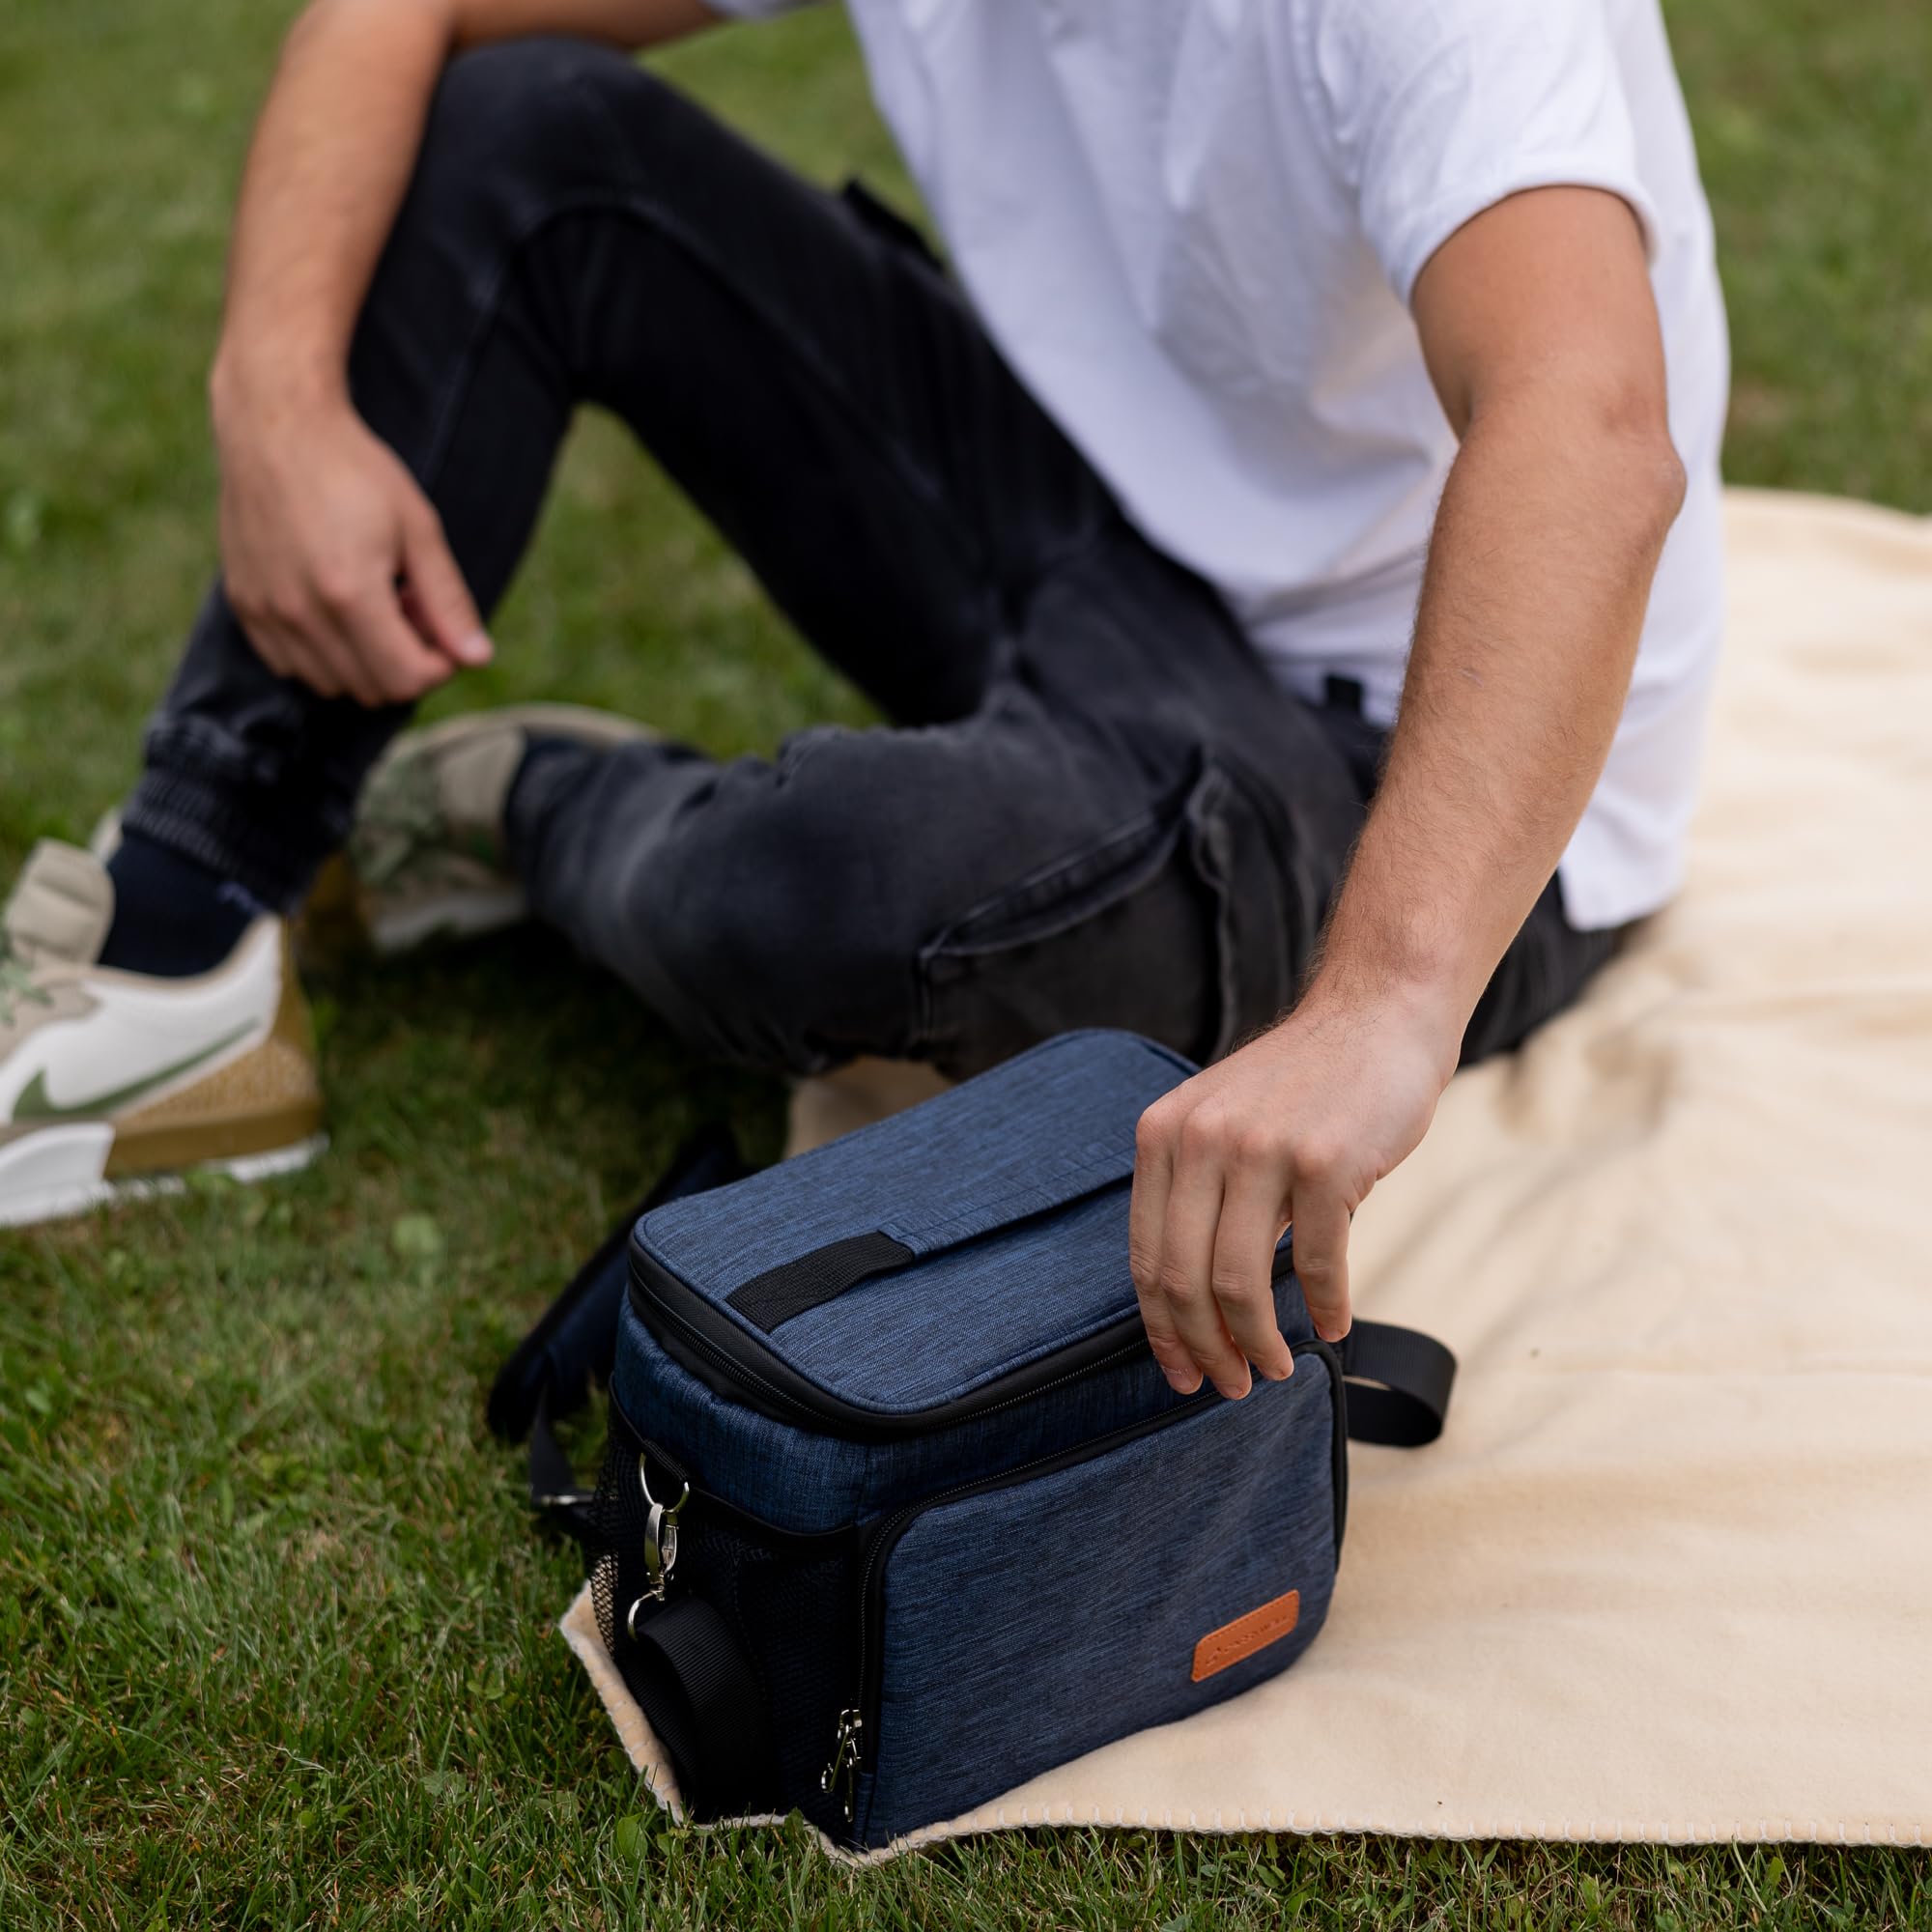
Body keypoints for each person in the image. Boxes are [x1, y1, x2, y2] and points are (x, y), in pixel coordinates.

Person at [0, 0, 1726, 1405]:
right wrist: (275, 400)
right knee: (533, 129)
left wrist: (1385, 1003)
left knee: (806, 890)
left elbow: (1584, 425)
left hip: (1412, 775)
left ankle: (539, 801)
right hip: (1112, 534)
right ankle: (176, 930)